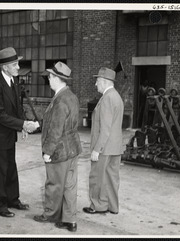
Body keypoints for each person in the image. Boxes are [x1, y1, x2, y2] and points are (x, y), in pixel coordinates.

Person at [0, 47, 39, 218]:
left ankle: (13, 200)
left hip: (8, 134)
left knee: (10, 168)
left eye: (17, 64)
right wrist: (23, 124)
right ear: (5, 67)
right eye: (15, 64)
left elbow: (16, 107)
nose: (18, 67)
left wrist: (22, 125)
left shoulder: (14, 82)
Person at [33, 62, 82, 232]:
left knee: (54, 184)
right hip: (73, 148)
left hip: (60, 150)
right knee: (69, 185)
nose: (48, 80)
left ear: (56, 78)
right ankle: (70, 220)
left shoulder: (60, 101)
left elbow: (55, 130)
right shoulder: (71, 96)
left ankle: (50, 214)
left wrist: (48, 151)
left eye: (50, 77)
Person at [83, 67, 124, 215]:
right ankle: (112, 206)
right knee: (112, 178)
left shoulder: (107, 99)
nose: (96, 84)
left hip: (104, 147)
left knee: (97, 177)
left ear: (105, 82)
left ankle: (97, 206)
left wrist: (96, 149)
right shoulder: (116, 96)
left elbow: (105, 128)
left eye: (97, 81)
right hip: (115, 147)